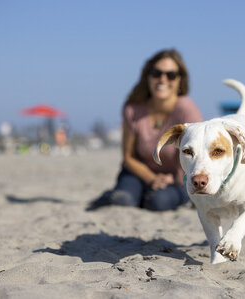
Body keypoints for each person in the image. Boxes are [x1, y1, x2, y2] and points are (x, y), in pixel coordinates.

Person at [86, 49, 203, 211]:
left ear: (179, 80)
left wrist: (172, 178)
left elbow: (199, 154)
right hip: (138, 175)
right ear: (147, 76)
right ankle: (114, 196)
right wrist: (151, 179)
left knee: (158, 202)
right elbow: (128, 157)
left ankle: (141, 196)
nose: (163, 79)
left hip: (176, 180)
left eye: (171, 75)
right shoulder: (133, 109)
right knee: (124, 200)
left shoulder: (186, 109)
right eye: (157, 73)